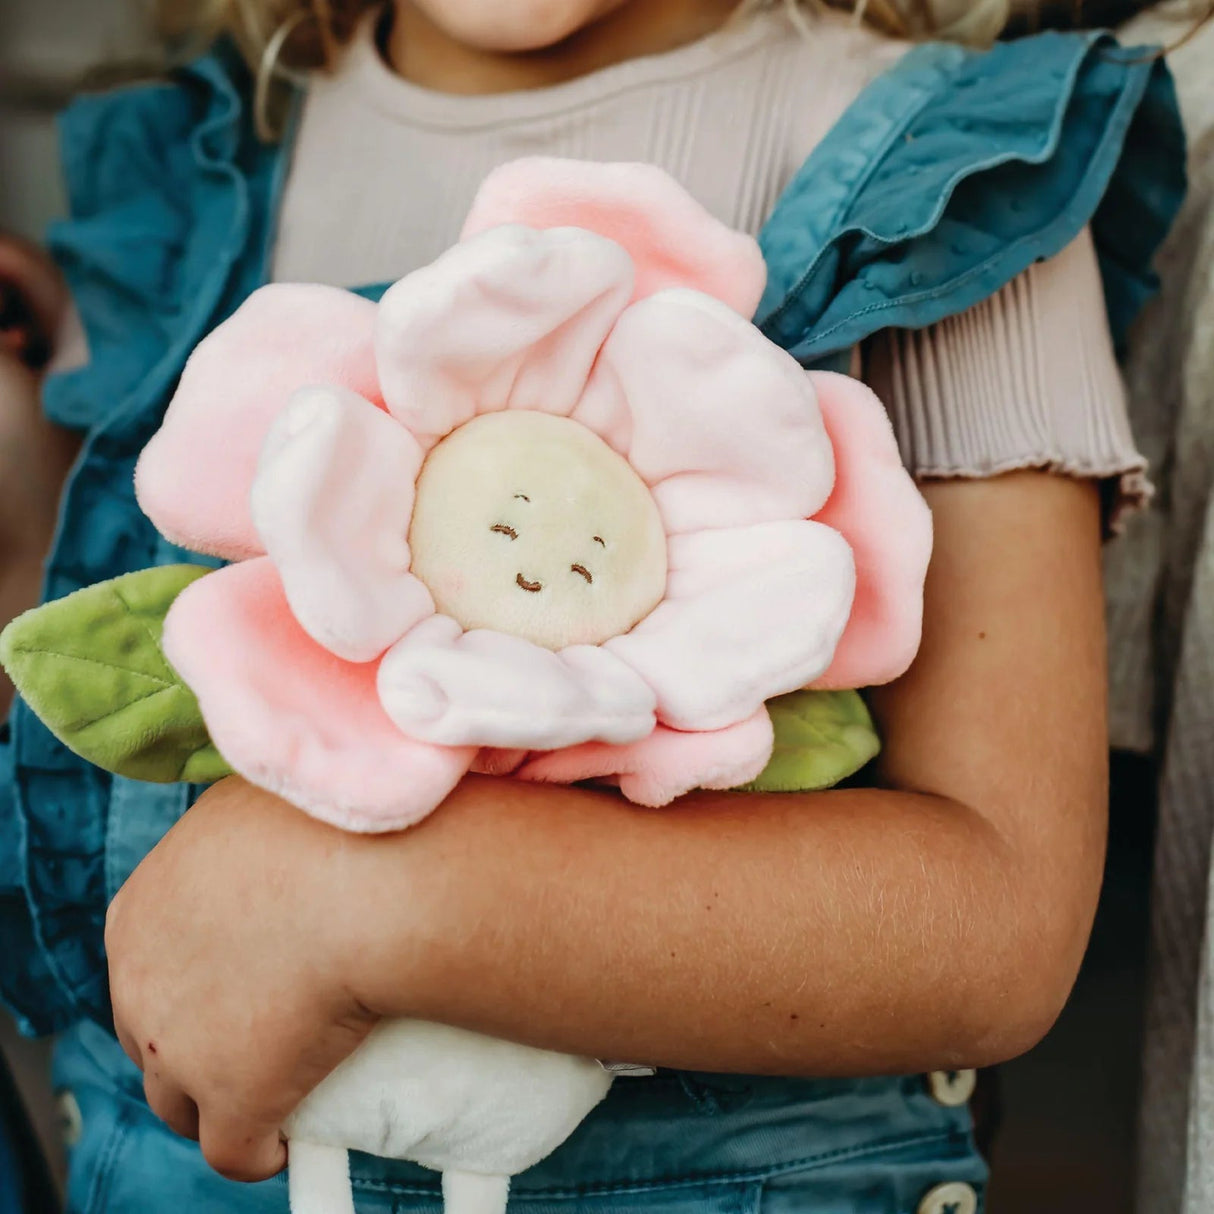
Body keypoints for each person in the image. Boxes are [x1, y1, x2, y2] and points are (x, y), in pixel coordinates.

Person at [0, 0, 1186, 1210]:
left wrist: (366, 893)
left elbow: (994, 930)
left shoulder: (953, 184)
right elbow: (91, 781)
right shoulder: (189, 176)